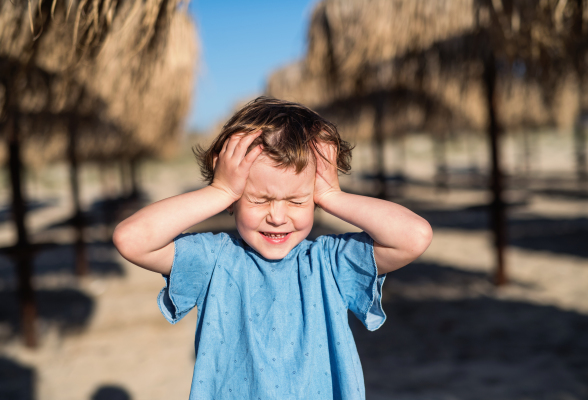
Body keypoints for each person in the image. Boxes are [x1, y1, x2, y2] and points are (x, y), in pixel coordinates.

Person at [113, 97, 432, 399]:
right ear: (233, 200)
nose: (278, 217)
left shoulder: (329, 263)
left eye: (297, 201)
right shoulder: (214, 261)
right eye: (259, 199)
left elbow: (414, 236)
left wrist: (334, 196)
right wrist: (219, 189)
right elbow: (132, 239)